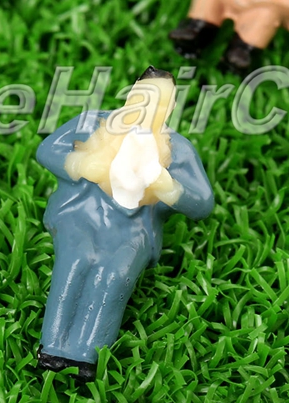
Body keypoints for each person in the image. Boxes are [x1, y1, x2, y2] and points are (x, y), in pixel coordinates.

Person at [35, 67, 214, 381]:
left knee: (114, 276)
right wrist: (81, 164)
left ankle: (86, 353)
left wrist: (169, 187)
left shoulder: (177, 149)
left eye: (160, 104)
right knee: (77, 261)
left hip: (134, 229)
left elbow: (203, 203)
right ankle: (52, 347)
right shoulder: (93, 123)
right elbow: (47, 150)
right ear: (132, 95)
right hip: (82, 213)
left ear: (171, 108)